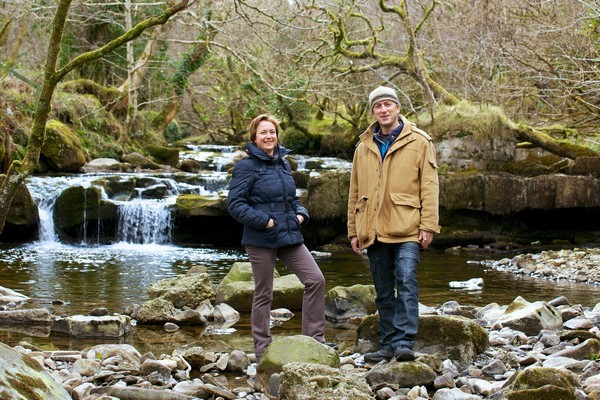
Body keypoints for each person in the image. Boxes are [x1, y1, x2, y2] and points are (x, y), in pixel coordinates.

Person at [347, 86, 440, 363]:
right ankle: (387, 343)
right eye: (378, 106)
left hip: (408, 226)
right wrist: (353, 230)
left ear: (398, 108)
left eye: (388, 104)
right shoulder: (363, 146)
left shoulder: (420, 142)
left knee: (407, 281)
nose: (384, 110)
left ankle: (404, 341)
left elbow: (430, 186)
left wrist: (429, 225)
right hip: (372, 229)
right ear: (373, 112)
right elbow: (354, 191)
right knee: (383, 290)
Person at [227, 114, 328, 362]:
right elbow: (235, 204)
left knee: (315, 280)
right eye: (263, 132)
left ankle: (315, 340)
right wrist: (264, 221)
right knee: (264, 293)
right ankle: (262, 348)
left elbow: (291, 199)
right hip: (260, 238)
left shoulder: (284, 163)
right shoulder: (245, 167)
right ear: (254, 137)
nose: (269, 136)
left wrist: (301, 214)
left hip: (289, 234)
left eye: (272, 132)